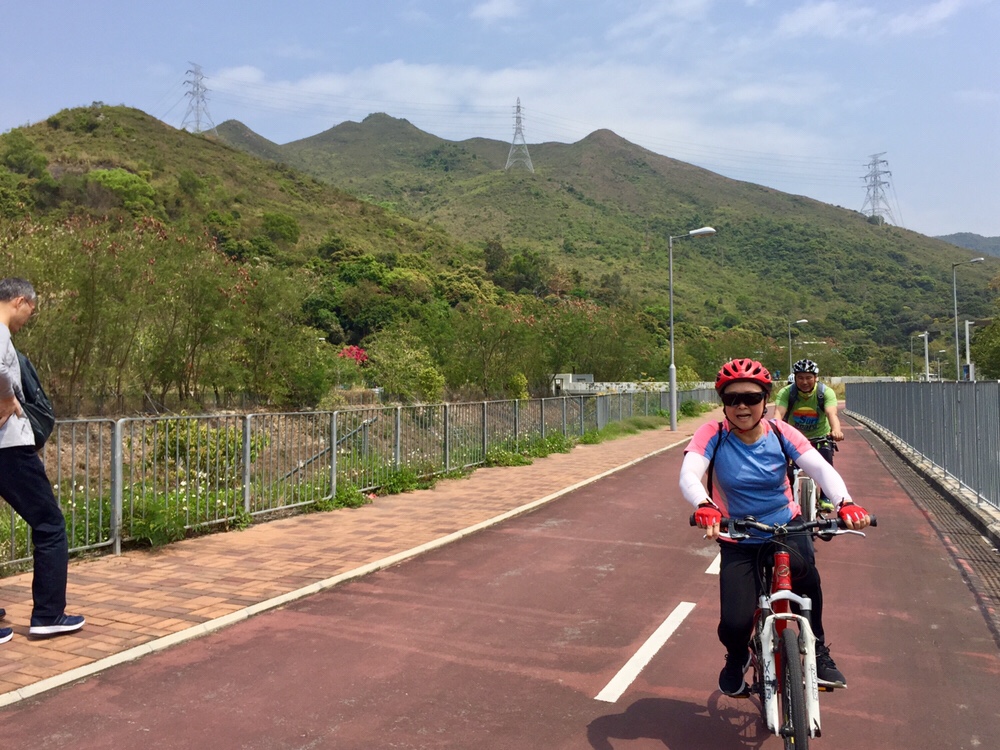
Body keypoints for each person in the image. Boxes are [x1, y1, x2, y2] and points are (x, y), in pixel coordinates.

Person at [679, 358, 870, 696]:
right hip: (738, 534)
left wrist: (845, 502)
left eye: (751, 398)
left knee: (806, 578)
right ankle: (737, 656)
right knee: (735, 623)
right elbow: (689, 474)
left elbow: (820, 469)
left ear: (765, 400)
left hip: (785, 526)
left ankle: (819, 649)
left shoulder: (782, 433)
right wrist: (704, 505)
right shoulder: (713, 434)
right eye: (732, 398)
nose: (741, 406)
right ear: (723, 402)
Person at [0, 278, 84, 644]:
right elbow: (1, 374)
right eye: (28, 314)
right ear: (19, 301)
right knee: (50, 524)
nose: (25, 322)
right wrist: (7, 400)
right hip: (9, 448)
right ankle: (49, 614)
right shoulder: (1, 333)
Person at [773, 358, 844, 512]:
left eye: (808, 377)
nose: (804, 382)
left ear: (815, 378)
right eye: (800, 378)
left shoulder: (825, 392)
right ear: (795, 378)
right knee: (787, 470)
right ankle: (789, 499)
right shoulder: (787, 393)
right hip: (794, 439)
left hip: (820, 436)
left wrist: (836, 430)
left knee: (826, 461)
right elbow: (778, 413)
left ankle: (825, 496)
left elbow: (832, 414)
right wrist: (774, 433)